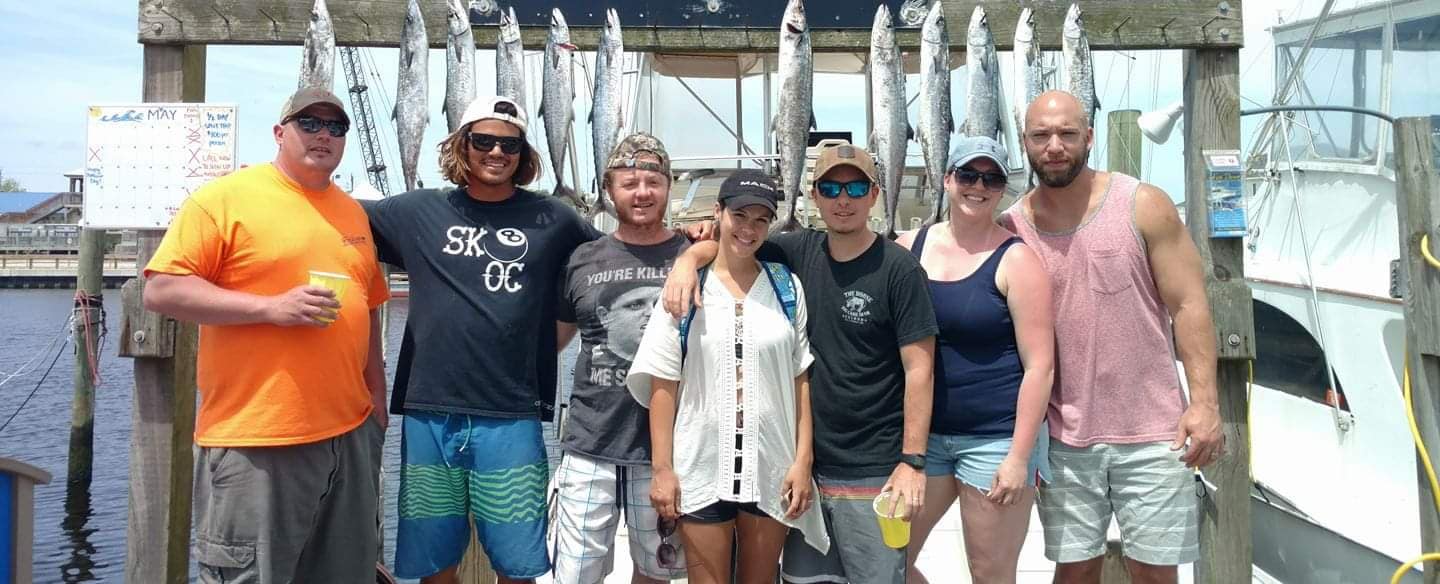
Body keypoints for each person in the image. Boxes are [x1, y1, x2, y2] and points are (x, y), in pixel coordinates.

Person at [143, 87, 388, 583]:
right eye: (309, 124)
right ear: (280, 133)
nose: (323, 135)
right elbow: (163, 290)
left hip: (348, 436)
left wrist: (376, 403)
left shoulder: (353, 213)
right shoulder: (224, 198)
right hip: (258, 439)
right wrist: (270, 307)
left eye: (335, 127)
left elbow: (369, 310)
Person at [661, 146, 938, 584]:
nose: (842, 199)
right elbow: (736, 243)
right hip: (799, 471)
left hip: (873, 470)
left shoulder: (900, 269)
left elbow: (920, 370)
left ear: (875, 195)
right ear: (813, 196)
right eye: (830, 188)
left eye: (855, 188)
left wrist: (912, 462)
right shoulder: (795, 252)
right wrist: (688, 259)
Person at [364, 95, 599, 584]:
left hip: (511, 414)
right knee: (433, 565)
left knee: (518, 565)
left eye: (509, 144)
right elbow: (326, 210)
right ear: (461, 145)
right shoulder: (416, 210)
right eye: (484, 140)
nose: (497, 152)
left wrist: (692, 248)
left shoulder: (553, 218)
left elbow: (614, 259)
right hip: (430, 411)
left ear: (524, 153)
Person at [1001, 90, 1225, 584]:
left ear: (1089, 136)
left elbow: (1188, 305)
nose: (1054, 146)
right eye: (1041, 135)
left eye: (1066, 134)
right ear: (1025, 142)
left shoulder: (1143, 204)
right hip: (1062, 437)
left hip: (1155, 431)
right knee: (1075, 570)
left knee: (1154, 573)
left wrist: (1204, 403)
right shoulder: (1012, 227)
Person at [628, 170, 828, 584]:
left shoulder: (786, 287)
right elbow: (663, 382)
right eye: (740, 214)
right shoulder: (686, 286)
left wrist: (802, 460)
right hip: (700, 465)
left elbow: (799, 378)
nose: (749, 228)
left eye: (760, 219)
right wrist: (663, 469)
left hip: (770, 465)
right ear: (718, 213)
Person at [895, 135, 1055, 583]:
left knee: (990, 573)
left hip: (995, 442)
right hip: (922, 442)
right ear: (947, 179)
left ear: (1003, 188)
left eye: (991, 178)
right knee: (888, 562)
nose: (977, 186)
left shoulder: (1017, 259)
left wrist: (1019, 457)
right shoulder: (908, 247)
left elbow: (1040, 366)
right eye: (967, 174)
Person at [550, 133, 692, 583]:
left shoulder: (696, 256)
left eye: (653, 181)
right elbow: (552, 340)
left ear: (669, 187)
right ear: (609, 190)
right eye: (629, 182)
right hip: (591, 444)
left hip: (667, 450)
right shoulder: (581, 259)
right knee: (575, 573)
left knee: (655, 572)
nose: (643, 193)